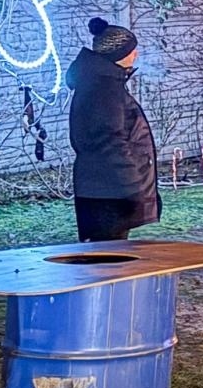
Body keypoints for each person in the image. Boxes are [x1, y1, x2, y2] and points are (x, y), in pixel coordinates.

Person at [67, 17, 160, 242]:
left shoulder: (99, 83)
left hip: (103, 190)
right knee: (108, 260)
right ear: (117, 54)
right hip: (109, 193)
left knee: (108, 257)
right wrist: (132, 188)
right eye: (131, 50)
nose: (135, 54)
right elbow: (110, 140)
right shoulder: (104, 89)